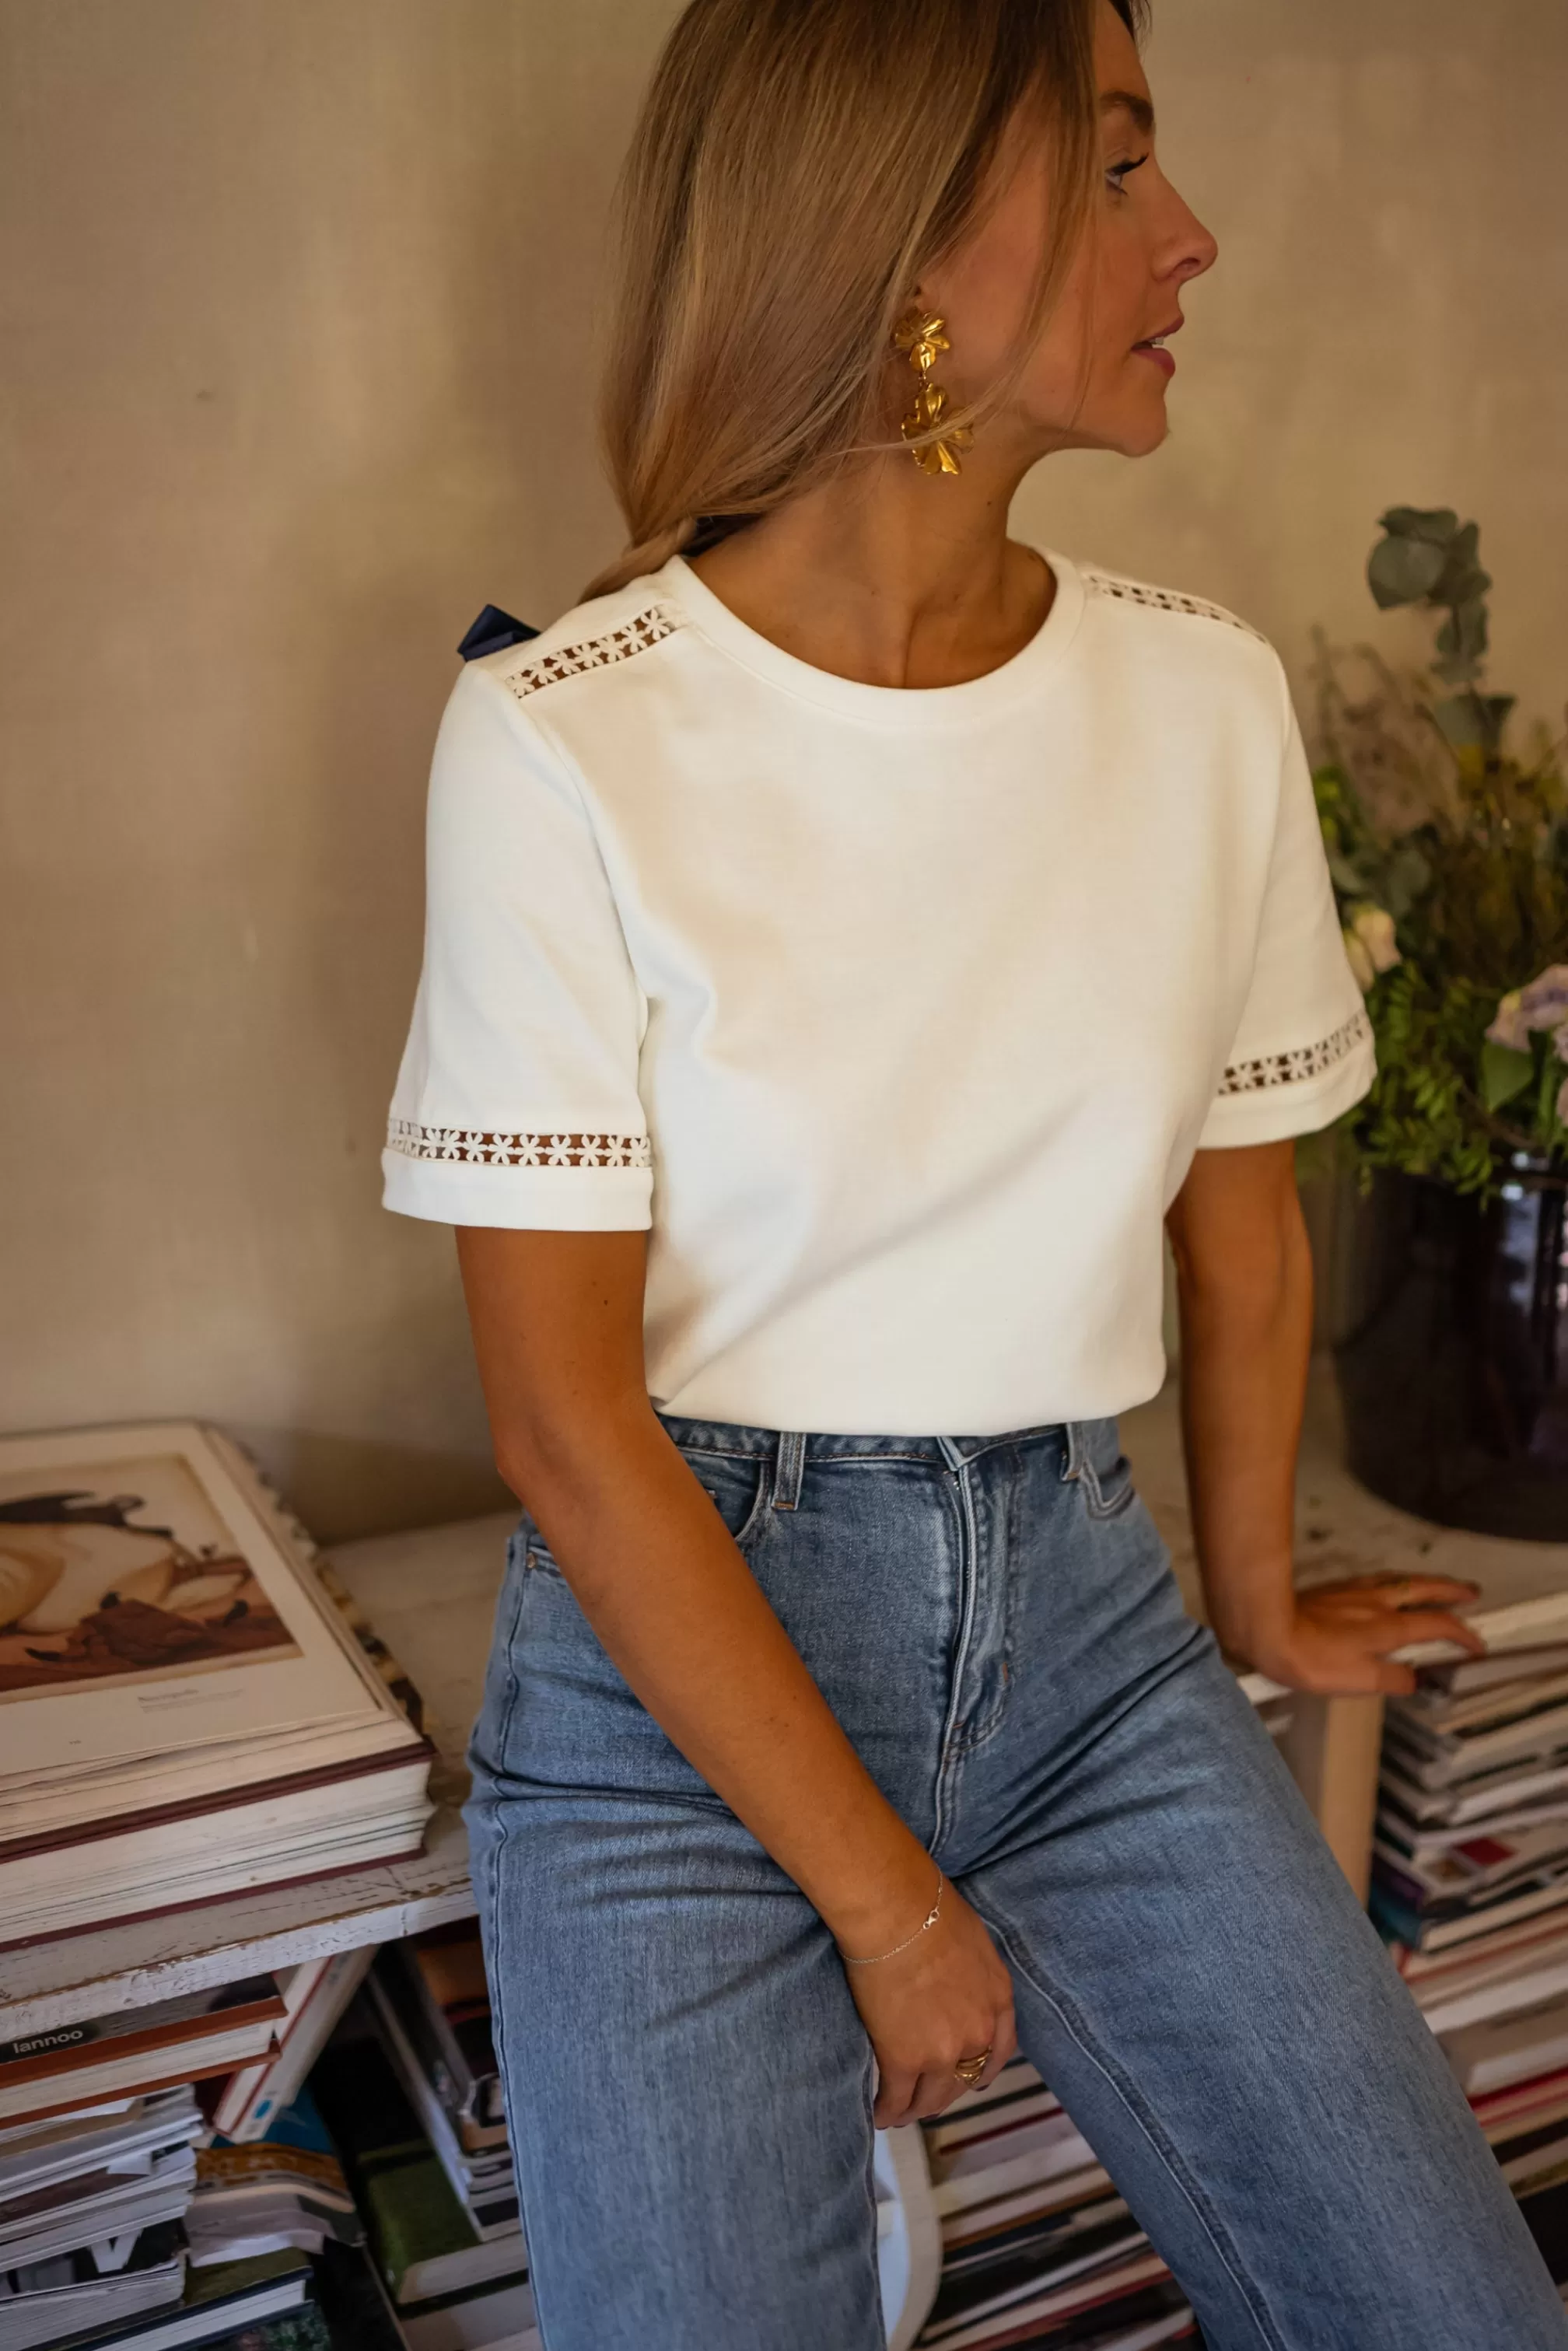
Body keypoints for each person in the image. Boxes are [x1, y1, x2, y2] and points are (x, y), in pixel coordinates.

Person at [382, 1, 1568, 2342]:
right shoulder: (561, 737)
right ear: (907, 236)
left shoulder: (1201, 696)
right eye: (1119, 162)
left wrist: (1257, 1596)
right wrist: (885, 1900)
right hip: (674, 1707)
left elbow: (1244, 1225)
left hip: (1092, 1639)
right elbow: (565, 1423)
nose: (1189, 235)